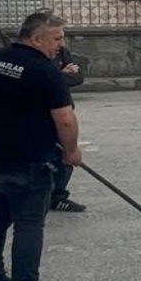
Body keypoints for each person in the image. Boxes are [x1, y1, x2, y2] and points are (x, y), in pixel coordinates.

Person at [0, 11, 82, 281]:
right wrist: (71, 152)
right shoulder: (45, 70)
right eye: (56, 38)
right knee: (29, 223)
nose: (60, 45)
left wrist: (2, 106)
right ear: (36, 38)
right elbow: (65, 119)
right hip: (29, 156)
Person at [48, 42, 87, 212]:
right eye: (56, 37)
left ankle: (58, 196)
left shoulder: (62, 52)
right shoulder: (32, 59)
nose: (61, 43)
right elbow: (40, 80)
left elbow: (77, 78)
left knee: (63, 157)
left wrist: (57, 76)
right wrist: (60, 74)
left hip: (63, 108)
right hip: (43, 115)